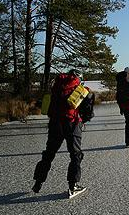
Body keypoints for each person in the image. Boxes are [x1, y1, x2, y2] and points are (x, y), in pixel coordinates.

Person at [32, 69, 87, 199]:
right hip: (71, 123)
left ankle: (38, 183)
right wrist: (83, 119)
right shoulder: (80, 89)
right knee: (75, 154)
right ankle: (73, 186)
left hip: (55, 123)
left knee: (49, 153)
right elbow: (87, 111)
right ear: (78, 78)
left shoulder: (57, 85)